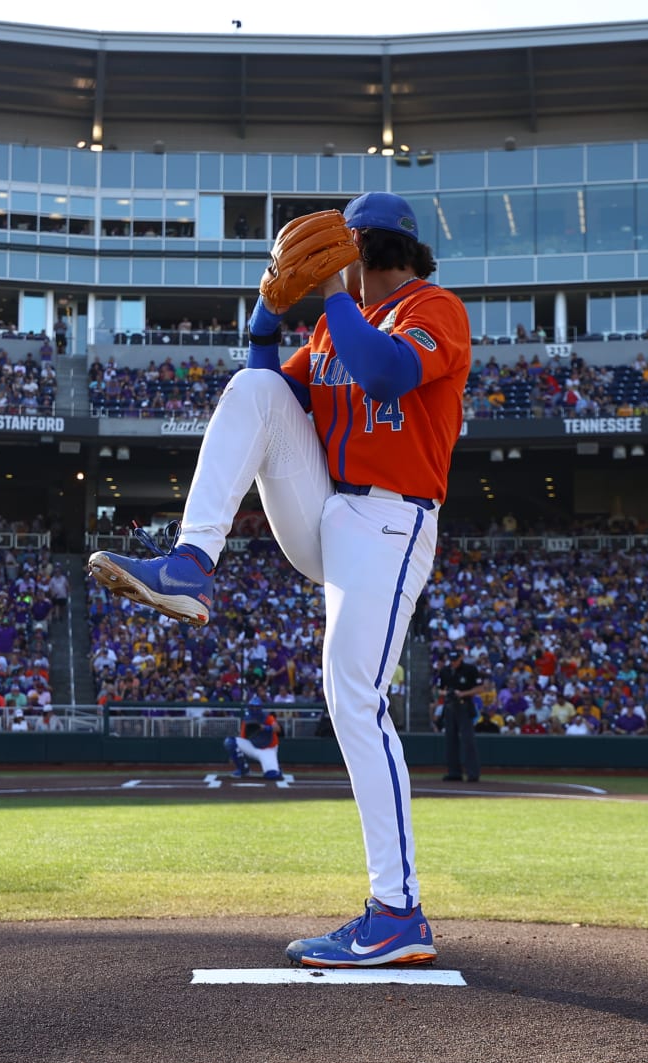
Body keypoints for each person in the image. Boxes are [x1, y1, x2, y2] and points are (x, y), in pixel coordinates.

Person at [87, 191, 470, 969]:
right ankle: (191, 564)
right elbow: (268, 392)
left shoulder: (437, 308)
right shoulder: (333, 325)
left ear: (367, 251)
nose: (326, 265)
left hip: (392, 523)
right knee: (253, 389)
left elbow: (388, 374)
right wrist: (266, 314)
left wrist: (332, 291)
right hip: (327, 512)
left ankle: (397, 912)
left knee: (353, 699)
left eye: (342, 251)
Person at [434, 647, 481, 783]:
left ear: (461, 658)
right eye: (452, 660)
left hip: (464, 705)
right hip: (450, 707)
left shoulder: (470, 670)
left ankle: (473, 773)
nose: (453, 662)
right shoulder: (445, 671)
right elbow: (439, 690)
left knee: (468, 740)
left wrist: (462, 693)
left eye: (455, 660)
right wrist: (447, 693)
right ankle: (454, 772)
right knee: (450, 740)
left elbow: (479, 688)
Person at [225, 697, 282, 780]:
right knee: (230, 742)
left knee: (273, 775)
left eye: (256, 707)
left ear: (260, 707)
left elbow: (277, 728)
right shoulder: (247, 719)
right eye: (252, 707)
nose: (254, 709)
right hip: (253, 746)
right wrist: (235, 754)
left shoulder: (267, 717)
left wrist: (265, 727)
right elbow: (242, 737)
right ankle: (243, 769)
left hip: (268, 749)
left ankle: (276, 768)